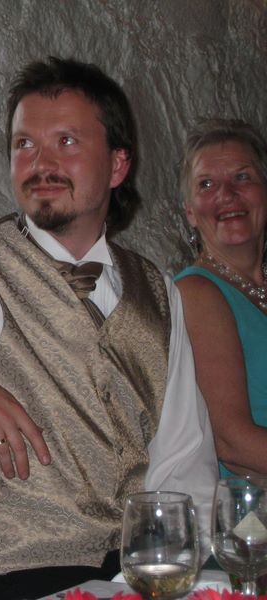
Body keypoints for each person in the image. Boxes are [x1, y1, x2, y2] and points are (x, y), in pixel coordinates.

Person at [0, 57, 217, 600]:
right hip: (13, 581)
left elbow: (185, 455)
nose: (40, 162)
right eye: (24, 144)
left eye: (66, 141)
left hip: (136, 578)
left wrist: (180, 571)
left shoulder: (158, 291)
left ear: (117, 165)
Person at [174, 118, 267, 477]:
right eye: (207, 184)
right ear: (190, 212)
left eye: (242, 177)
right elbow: (232, 443)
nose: (226, 194)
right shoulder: (197, 293)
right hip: (247, 506)